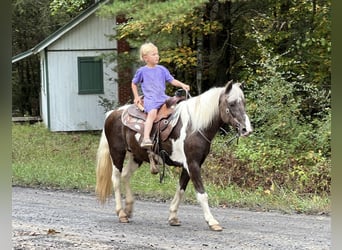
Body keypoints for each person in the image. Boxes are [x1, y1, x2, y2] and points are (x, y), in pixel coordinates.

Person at [131, 42, 190, 148]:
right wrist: (136, 96)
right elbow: (134, 83)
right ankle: (146, 138)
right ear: (146, 58)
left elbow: (172, 80)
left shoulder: (162, 69)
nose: (157, 56)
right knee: (152, 114)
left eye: (157, 54)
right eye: (153, 54)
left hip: (162, 97)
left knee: (177, 106)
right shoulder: (142, 71)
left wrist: (182, 84)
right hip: (151, 99)